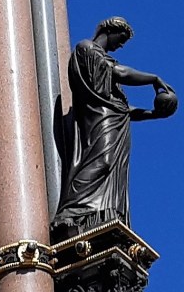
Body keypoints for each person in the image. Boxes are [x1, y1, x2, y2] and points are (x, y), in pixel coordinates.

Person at [53, 16, 175, 233]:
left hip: (115, 123)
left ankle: (102, 212)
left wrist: (153, 114)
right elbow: (121, 73)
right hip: (99, 120)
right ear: (110, 30)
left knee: (112, 169)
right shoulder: (87, 49)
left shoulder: (106, 68)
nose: (120, 45)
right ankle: (74, 208)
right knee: (103, 162)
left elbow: (123, 110)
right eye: (121, 39)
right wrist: (153, 79)